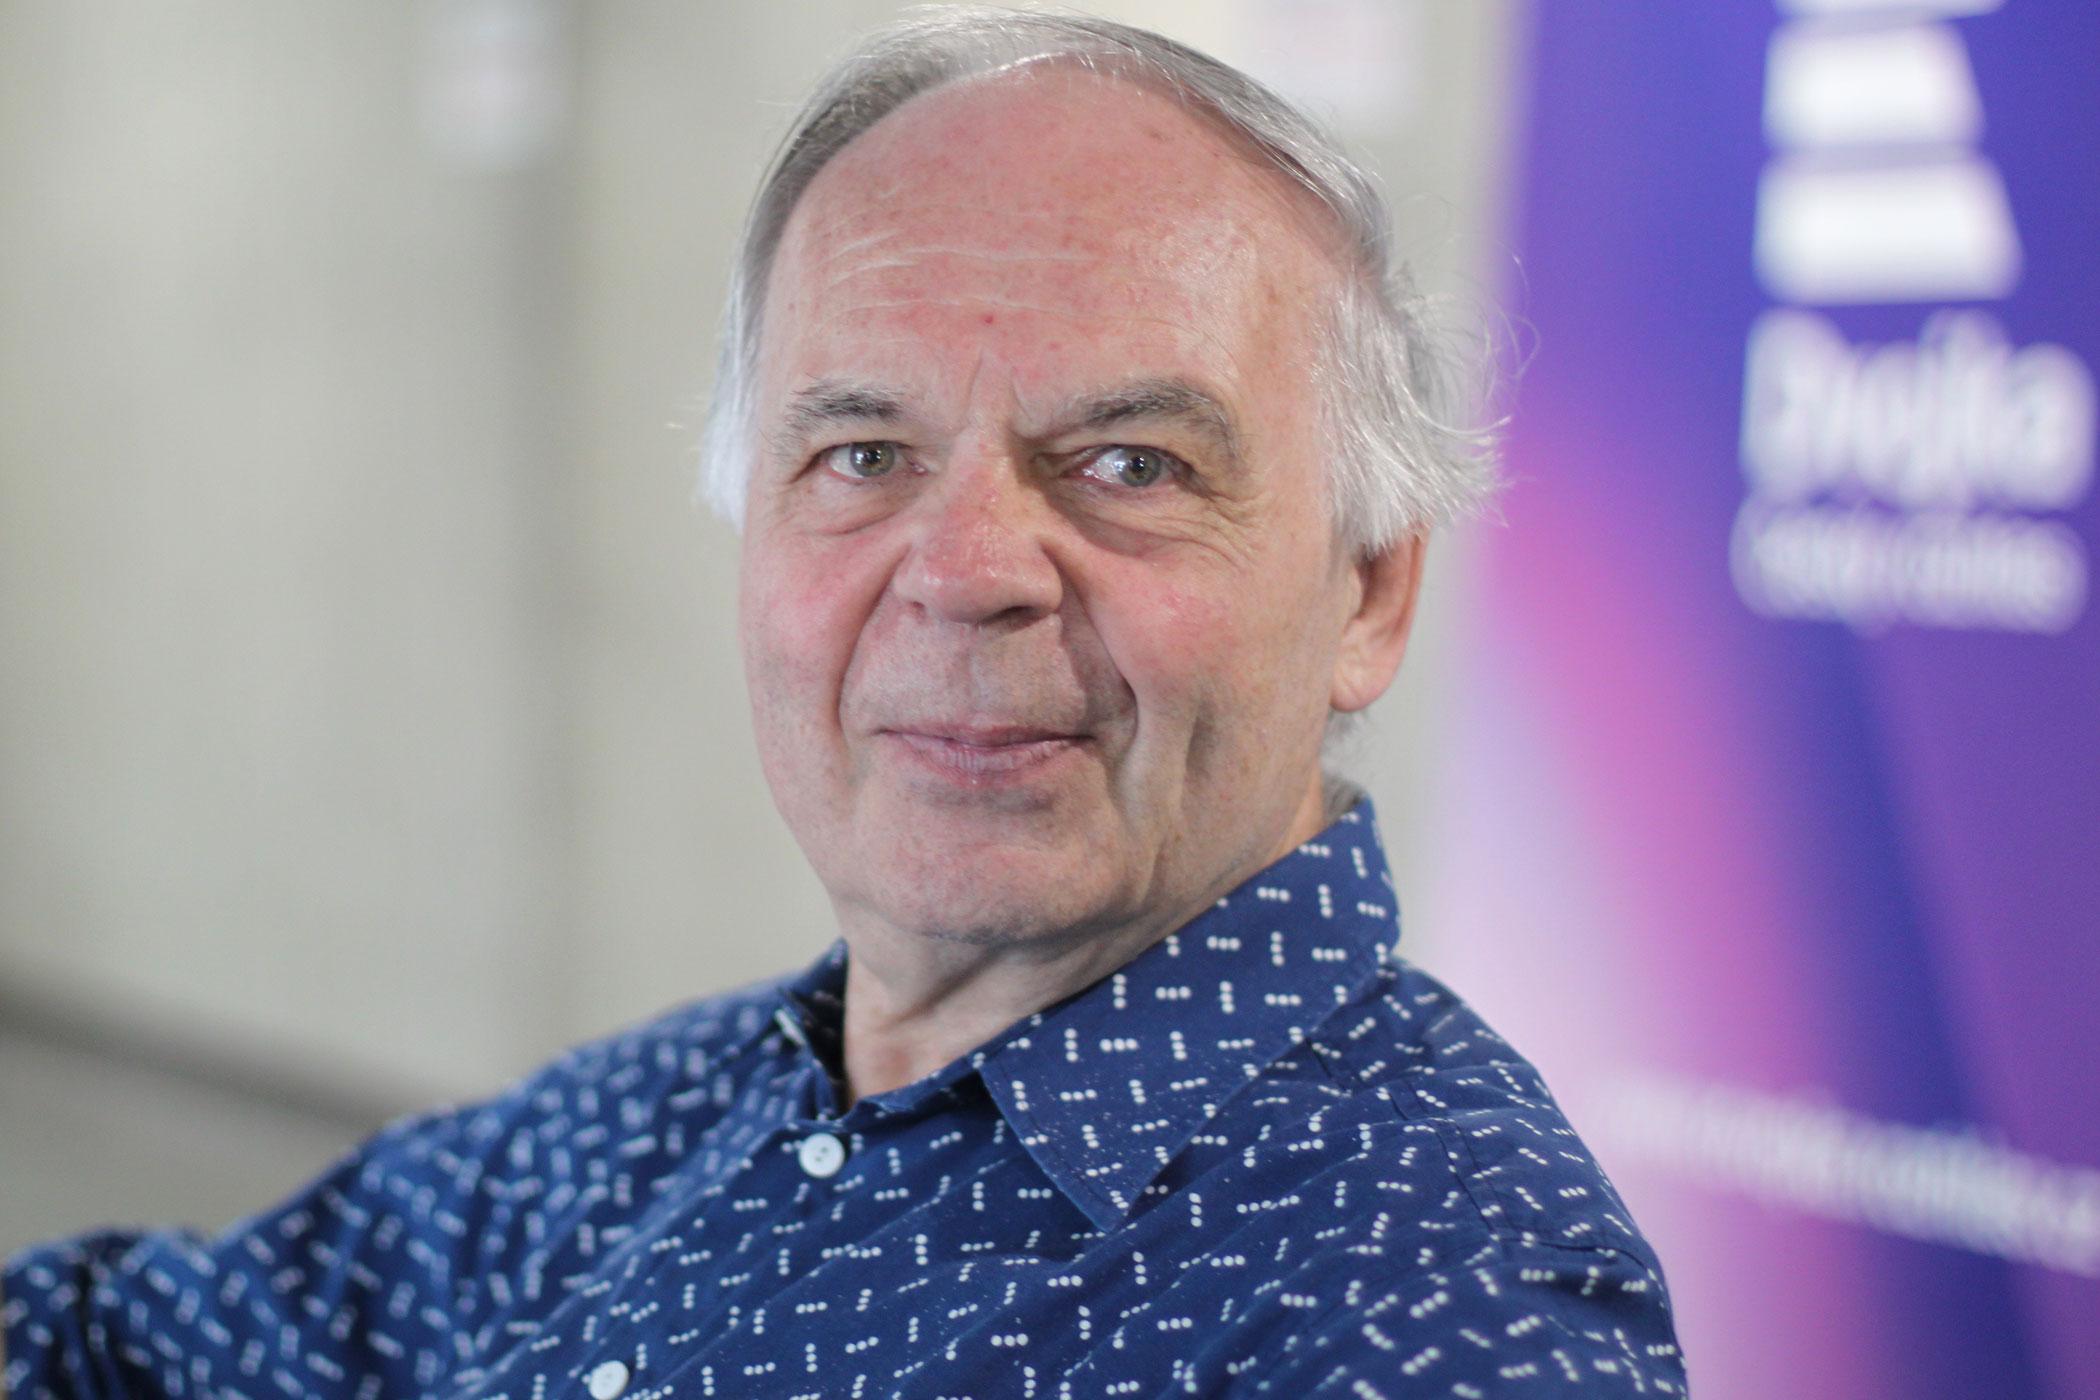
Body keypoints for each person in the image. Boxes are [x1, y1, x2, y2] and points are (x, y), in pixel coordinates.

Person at [2, 9, 1685, 1397]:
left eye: (1129, 462)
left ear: (1367, 594)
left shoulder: (1431, 1316)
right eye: (864, 454)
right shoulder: (663, 1117)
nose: (963, 570)